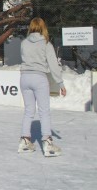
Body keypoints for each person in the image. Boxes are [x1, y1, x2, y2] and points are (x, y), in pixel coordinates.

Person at [18, 17, 66, 157]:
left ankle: (25, 140)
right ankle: (47, 142)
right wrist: (60, 83)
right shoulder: (46, 43)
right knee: (44, 111)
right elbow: (53, 65)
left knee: (29, 110)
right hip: (39, 77)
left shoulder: (24, 43)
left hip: (24, 77)